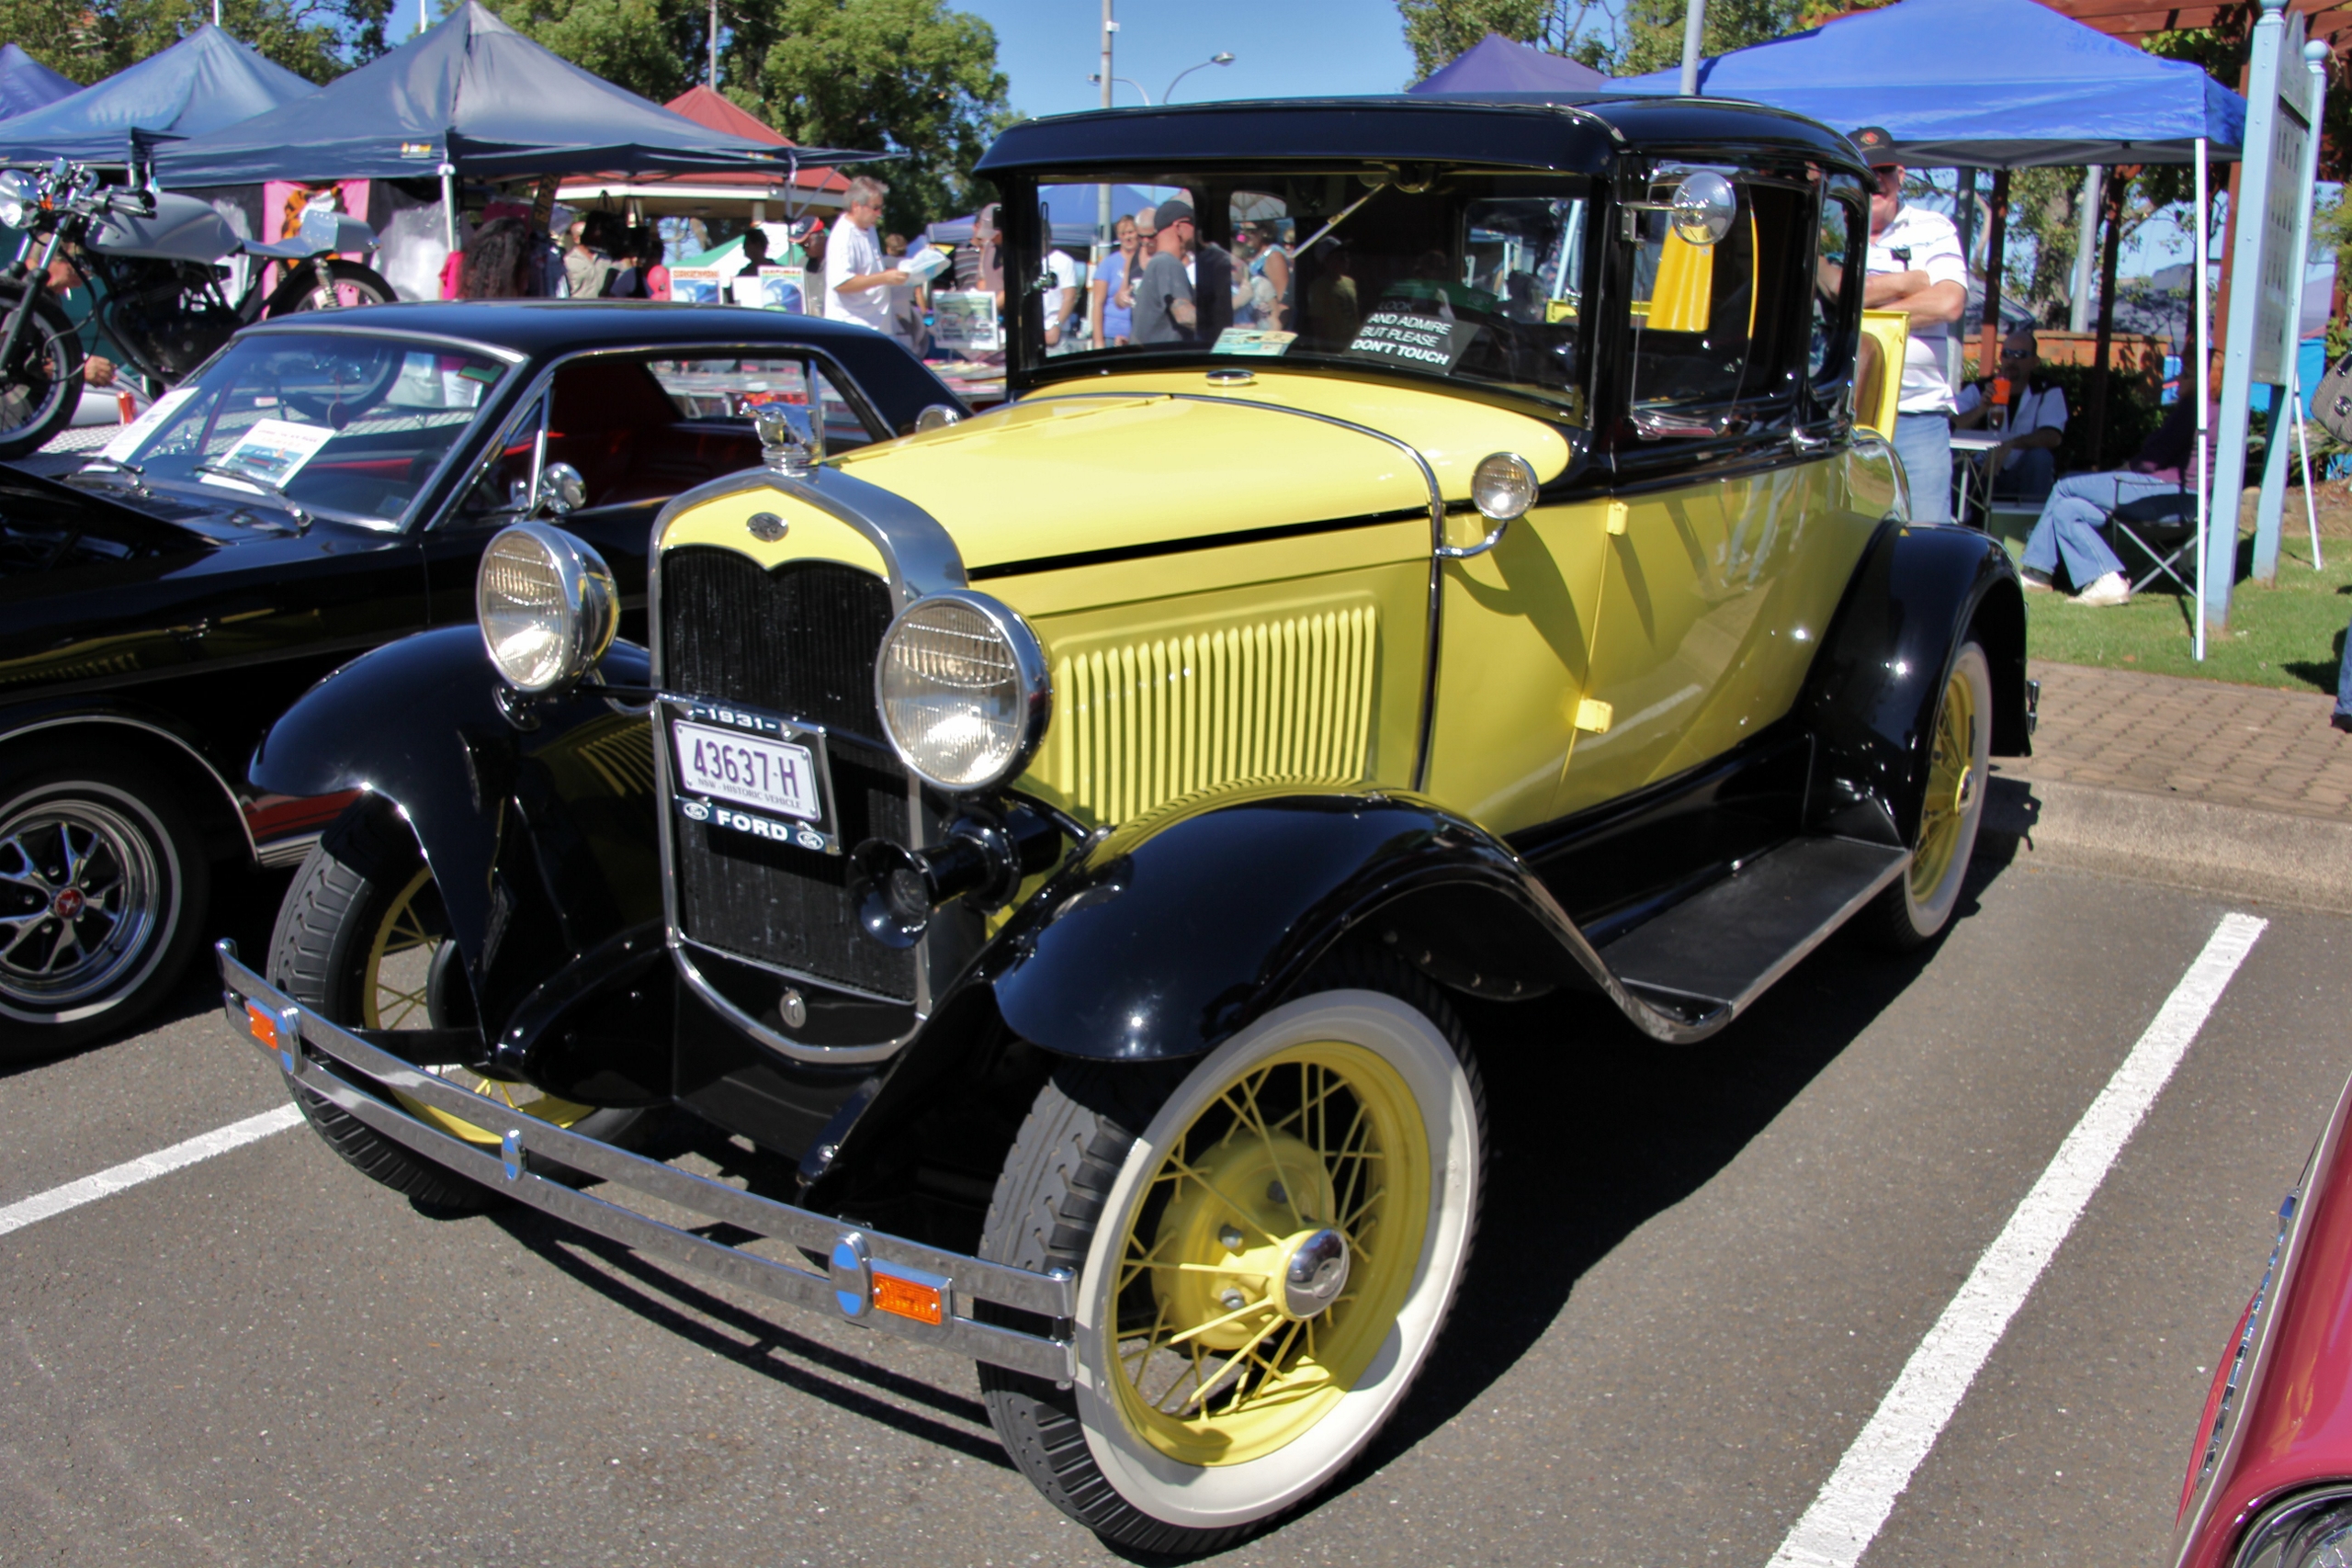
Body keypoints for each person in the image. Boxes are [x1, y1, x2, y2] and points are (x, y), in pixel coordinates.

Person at [1854, 126, 1967, 524]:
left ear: (1901, 175)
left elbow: (1950, 301)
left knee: (1924, 539)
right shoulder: (1828, 230)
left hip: (1918, 417)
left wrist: (1854, 303)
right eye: (1865, 174)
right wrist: (1907, 282)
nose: (1876, 183)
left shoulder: (1934, 228)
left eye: (1883, 172)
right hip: (1843, 417)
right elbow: (1820, 299)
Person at [2018, 394, 2206, 607]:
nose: (2179, 378)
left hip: (2173, 498)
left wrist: (2116, 473)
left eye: (2184, 372)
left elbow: (2154, 458)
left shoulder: (2195, 405)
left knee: (2066, 484)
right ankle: (2107, 580)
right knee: (2067, 509)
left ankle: (2037, 571)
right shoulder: (2220, 407)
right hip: (2184, 500)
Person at [1953, 326, 2065, 504]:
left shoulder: (2046, 390)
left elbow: (2052, 436)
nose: (2012, 360)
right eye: (2007, 353)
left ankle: (2030, 524)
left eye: (2020, 355)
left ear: (2035, 361)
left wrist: (2011, 444)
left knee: (2040, 458)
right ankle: (1956, 524)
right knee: (1952, 458)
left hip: (2021, 472)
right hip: (1982, 472)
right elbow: (1949, 425)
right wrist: (1982, 408)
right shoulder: (1983, 388)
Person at [824, 175, 906, 332]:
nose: (879, 213)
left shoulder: (870, 229)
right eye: (875, 208)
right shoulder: (843, 236)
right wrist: (885, 277)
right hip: (852, 327)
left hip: (875, 326)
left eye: (881, 207)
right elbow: (841, 283)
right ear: (856, 206)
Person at [1131, 198, 1199, 345]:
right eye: (1193, 224)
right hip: (1163, 363)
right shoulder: (1169, 263)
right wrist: (1224, 330)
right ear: (1179, 227)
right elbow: (1184, 315)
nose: (1196, 230)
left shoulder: (1158, 262)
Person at [1231, 220, 1290, 330]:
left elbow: (1283, 299)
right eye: (1242, 230)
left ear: (1265, 232)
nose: (1244, 235)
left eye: (1250, 231)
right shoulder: (1253, 253)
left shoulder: (1273, 256)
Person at [1091, 213, 1138, 348]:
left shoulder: (1145, 261)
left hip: (1138, 335)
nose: (1127, 237)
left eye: (1130, 232)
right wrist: (1099, 341)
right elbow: (1098, 304)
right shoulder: (1108, 263)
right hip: (1111, 335)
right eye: (1122, 234)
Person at [1042, 236, 1081, 352]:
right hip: (1029, 331)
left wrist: (1057, 326)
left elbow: (1070, 297)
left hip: (1053, 330)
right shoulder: (1026, 261)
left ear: (1049, 238)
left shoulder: (1063, 261)